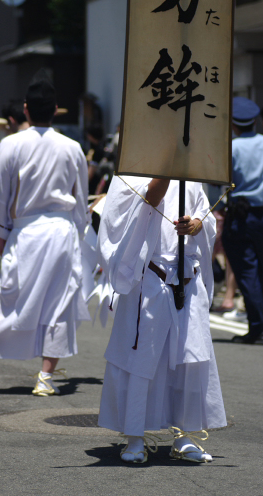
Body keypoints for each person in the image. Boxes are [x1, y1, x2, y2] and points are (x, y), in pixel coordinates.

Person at [0, 70, 90, 396]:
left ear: (25, 109)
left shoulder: (11, 144)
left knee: (8, 299)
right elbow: (81, 203)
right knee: (59, 301)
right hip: (61, 230)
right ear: (56, 110)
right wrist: (77, 237)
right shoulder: (73, 147)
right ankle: (46, 378)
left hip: (25, 232)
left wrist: (4, 242)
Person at [97, 175, 226, 464]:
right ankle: (134, 436)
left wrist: (196, 226)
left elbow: (205, 216)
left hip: (188, 277)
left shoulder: (191, 172)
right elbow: (141, 205)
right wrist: (166, 170)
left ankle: (184, 435)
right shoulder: (131, 172)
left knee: (189, 358)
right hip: (150, 277)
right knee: (141, 361)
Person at [222, 97, 263, 344]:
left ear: (234, 126)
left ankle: (257, 326)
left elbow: (220, 182)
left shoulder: (232, 148)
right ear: (255, 121)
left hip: (241, 214)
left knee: (247, 271)